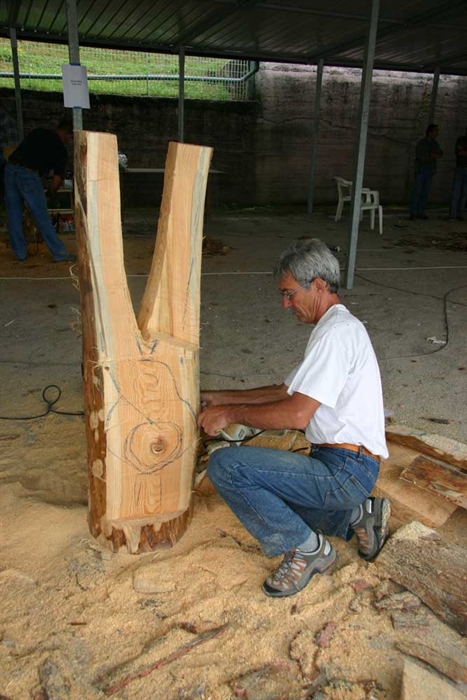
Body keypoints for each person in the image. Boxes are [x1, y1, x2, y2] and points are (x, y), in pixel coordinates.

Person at [198, 239, 390, 598]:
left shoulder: (336, 334)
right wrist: (220, 397)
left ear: (317, 285)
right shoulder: (335, 328)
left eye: (289, 294)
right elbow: (285, 391)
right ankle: (356, 515)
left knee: (227, 467)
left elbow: (297, 413)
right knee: (268, 489)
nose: (285, 304)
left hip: (345, 470)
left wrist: (229, 414)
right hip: (344, 465)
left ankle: (306, 549)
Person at [4, 119, 77, 262]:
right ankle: (60, 253)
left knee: (14, 213)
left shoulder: (39, 132)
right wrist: (50, 194)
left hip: (10, 169)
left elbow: (30, 154)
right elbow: (57, 180)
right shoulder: (60, 150)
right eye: (70, 137)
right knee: (41, 216)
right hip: (28, 174)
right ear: (68, 134)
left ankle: (20, 253)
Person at [409, 124, 443, 220]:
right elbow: (421, 157)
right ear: (430, 132)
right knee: (417, 192)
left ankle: (420, 212)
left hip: (429, 171)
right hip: (421, 170)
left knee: (425, 192)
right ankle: (413, 212)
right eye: (435, 131)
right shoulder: (422, 143)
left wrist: (432, 155)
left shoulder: (434, 143)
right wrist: (432, 155)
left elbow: (440, 153)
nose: (437, 133)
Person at [448, 127, 467, 221]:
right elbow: (459, 152)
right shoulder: (461, 140)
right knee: (456, 192)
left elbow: (462, 151)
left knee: (464, 193)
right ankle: (453, 214)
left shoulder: (461, 141)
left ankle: (460, 213)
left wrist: (464, 151)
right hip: (460, 168)